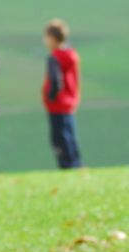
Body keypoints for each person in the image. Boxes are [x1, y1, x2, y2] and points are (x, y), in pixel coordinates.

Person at [42, 19, 82, 169]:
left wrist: (49, 97)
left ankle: (66, 166)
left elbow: (55, 80)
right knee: (70, 136)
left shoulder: (54, 57)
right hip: (70, 102)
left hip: (57, 104)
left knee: (59, 138)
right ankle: (76, 164)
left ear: (52, 38)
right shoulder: (72, 55)